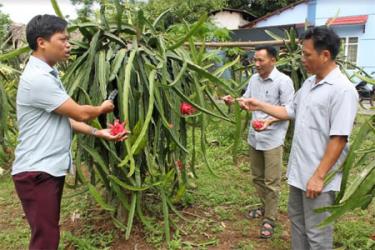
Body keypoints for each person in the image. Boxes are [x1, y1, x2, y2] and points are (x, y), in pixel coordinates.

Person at [11, 14, 128, 250]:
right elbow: (80, 114)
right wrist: (102, 108)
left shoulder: (46, 75)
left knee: (47, 233)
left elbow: (63, 119)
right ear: (42, 42)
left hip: (43, 170)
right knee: (46, 239)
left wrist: (98, 133)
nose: (68, 44)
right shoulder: (39, 79)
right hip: (37, 172)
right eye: (63, 39)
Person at [238, 26, 358, 249]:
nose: (302, 58)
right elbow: (289, 111)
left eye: (306, 54)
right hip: (299, 173)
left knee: (317, 234)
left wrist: (319, 176)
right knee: (298, 225)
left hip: (319, 177)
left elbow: (339, 138)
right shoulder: (309, 83)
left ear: (325, 55)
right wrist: (259, 104)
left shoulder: (342, 90)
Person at [223, 45, 295, 238]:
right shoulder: (254, 79)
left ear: (273, 60)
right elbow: (247, 101)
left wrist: (269, 120)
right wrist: (233, 101)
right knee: (257, 177)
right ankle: (265, 208)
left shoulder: (284, 82)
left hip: (273, 138)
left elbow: (290, 111)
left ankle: (270, 219)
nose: (256, 64)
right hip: (254, 136)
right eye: (255, 60)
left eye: (260, 60)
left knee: (272, 181)